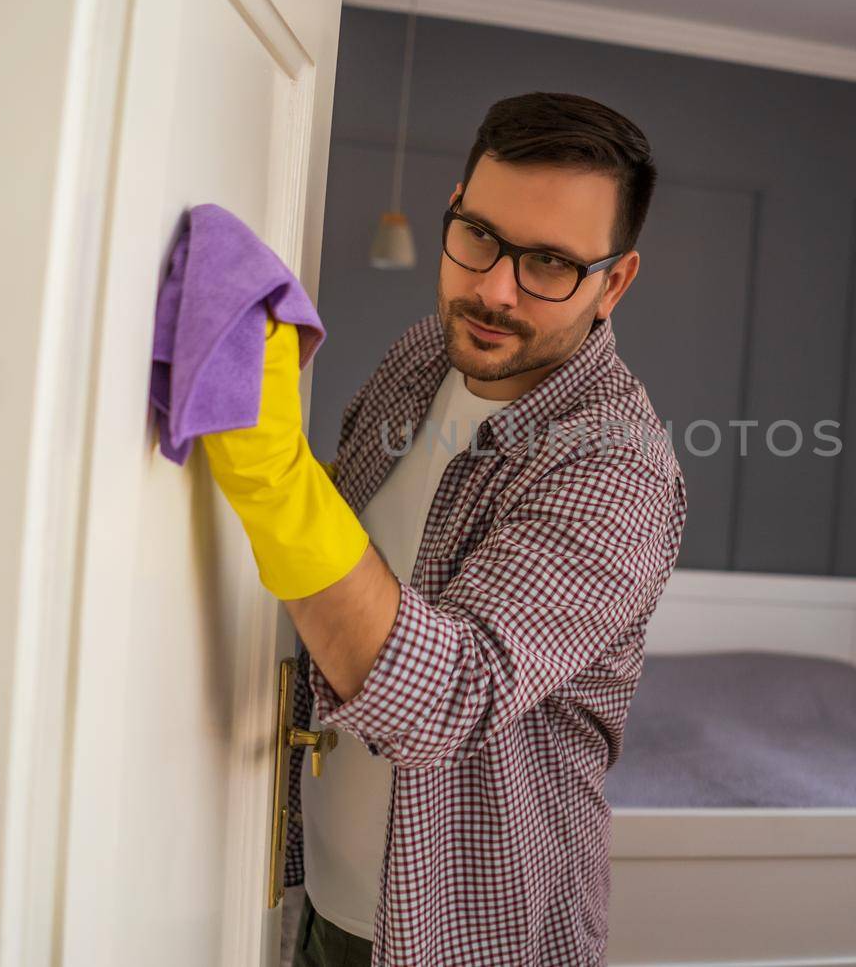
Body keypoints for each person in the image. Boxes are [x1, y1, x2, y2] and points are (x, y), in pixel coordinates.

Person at [201, 91, 689, 966]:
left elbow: (449, 693)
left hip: (468, 939)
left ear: (614, 280)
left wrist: (273, 474)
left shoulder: (617, 468)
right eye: (478, 236)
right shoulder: (423, 354)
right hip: (314, 903)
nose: (493, 288)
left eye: (549, 263)